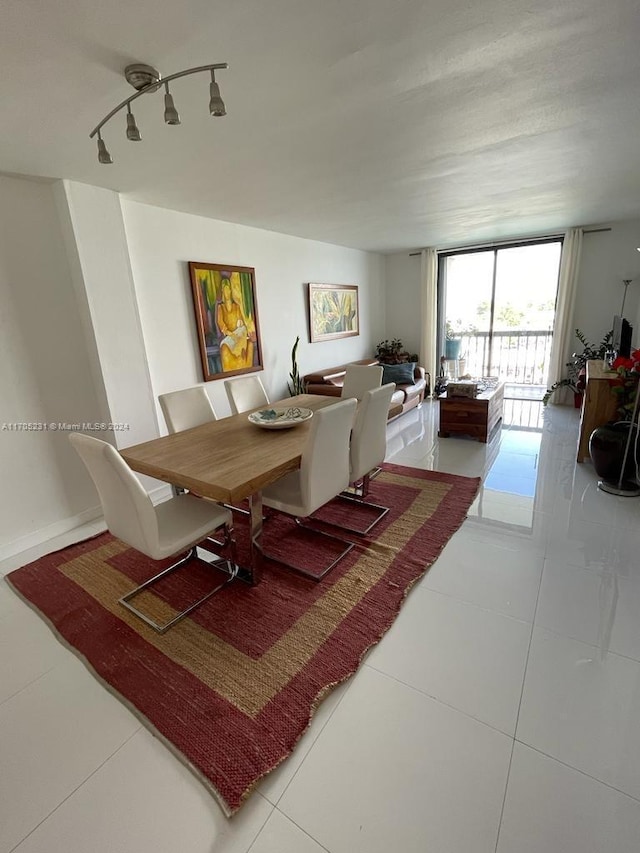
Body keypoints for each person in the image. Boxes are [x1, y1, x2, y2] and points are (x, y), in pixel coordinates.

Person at [216, 278, 255, 371]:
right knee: (224, 347)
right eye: (225, 290)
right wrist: (231, 334)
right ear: (222, 291)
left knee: (244, 331)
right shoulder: (220, 308)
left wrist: (240, 323)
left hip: (239, 333)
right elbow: (221, 325)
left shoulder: (236, 306)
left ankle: (241, 356)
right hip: (229, 337)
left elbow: (241, 323)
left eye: (228, 289)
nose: (227, 292)